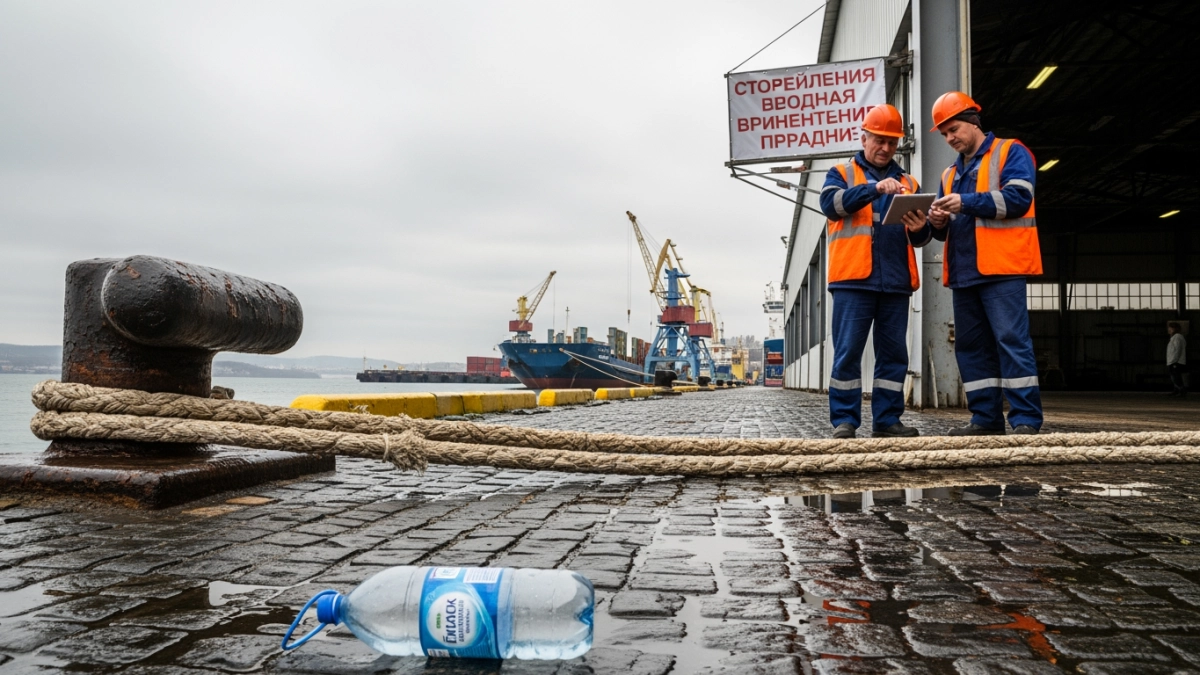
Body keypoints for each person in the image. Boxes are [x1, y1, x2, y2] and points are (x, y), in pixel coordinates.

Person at [917, 91, 1042, 435]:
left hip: (1002, 269)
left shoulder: (1010, 151)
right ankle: (985, 418)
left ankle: (1026, 419)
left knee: (1011, 341)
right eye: (943, 134)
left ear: (973, 122)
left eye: (953, 129)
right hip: (964, 273)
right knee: (972, 347)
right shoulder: (949, 174)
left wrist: (965, 202)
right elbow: (952, 227)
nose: (950, 138)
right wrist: (938, 224)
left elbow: (1019, 198)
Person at [819, 104, 930, 439]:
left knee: (894, 355)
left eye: (892, 142)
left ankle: (887, 420)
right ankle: (844, 421)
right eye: (879, 140)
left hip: (896, 282)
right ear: (863, 137)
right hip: (853, 280)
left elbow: (921, 239)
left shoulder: (909, 182)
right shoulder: (841, 172)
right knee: (848, 352)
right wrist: (873, 189)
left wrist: (921, 225)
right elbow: (831, 205)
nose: (885, 148)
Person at [1168, 322, 1188, 397]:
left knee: (1176, 377)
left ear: (1174, 329)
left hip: (1176, 361)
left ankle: (1181, 390)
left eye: (1170, 328)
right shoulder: (1174, 337)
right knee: (1174, 376)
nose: (1169, 329)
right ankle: (1177, 390)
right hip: (1173, 360)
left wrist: (1174, 360)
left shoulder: (1177, 337)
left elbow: (1177, 349)